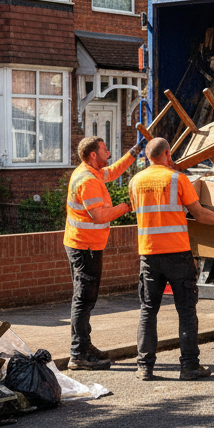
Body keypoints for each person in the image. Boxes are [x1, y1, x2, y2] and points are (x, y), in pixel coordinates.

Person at [131, 137, 214, 381]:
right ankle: (189, 366)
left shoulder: (136, 181)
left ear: (148, 157)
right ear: (167, 154)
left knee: (148, 310)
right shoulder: (177, 179)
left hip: (149, 255)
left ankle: (144, 367)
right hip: (177, 255)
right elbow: (199, 215)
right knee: (186, 311)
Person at [64, 136, 140, 370]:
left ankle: (84, 347)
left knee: (84, 300)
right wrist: (128, 206)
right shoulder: (88, 180)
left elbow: (113, 171)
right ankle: (78, 354)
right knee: (84, 300)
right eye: (105, 150)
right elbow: (99, 216)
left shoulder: (91, 172)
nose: (108, 153)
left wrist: (134, 152)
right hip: (85, 247)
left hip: (83, 245)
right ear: (93, 154)